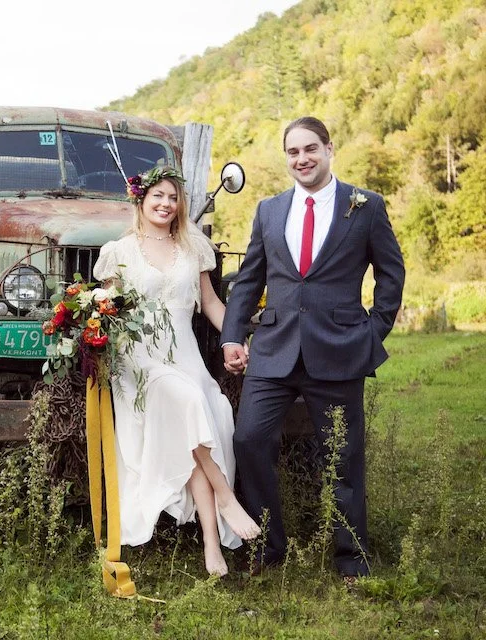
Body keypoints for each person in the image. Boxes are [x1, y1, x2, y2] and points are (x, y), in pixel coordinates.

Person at [222, 116, 405, 579]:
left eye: (310, 149)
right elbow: (250, 280)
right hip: (274, 348)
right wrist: (232, 334)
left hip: (339, 348)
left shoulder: (365, 207)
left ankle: (351, 558)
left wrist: (372, 333)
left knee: (342, 455)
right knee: (248, 439)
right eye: (292, 152)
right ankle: (267, 545)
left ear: (329, 149)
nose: (301, 159)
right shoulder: (269, 210)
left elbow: (391, 275)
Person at [92, 166, 260, 577]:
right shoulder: (121, 252)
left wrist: (239, 339)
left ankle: (210, 544)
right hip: (140, 360)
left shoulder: (192, 249)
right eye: (158, 197)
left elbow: (212, 306)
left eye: (173, 197)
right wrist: (94, 308)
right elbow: (107, 311)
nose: (166, 204)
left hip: (185, 356)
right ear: (141, 200)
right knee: (189, 403)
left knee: (212, 409)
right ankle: (225, 496)